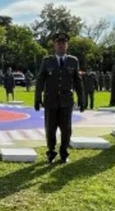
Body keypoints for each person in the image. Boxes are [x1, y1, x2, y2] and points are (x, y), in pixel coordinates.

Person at [35, 31, 86, 164]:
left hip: (66, 101)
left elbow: (78, 82)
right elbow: (40, 81)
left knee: (66, 130)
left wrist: (82, 99)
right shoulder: (47, 61)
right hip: (50, 101)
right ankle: (51, 152)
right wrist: (37, 98)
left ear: (67, 46)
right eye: (58, 43)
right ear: (54, 45)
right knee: (50, 129)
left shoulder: (73, 61)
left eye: (63, 43)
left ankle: (64, 153)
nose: (61, 45)